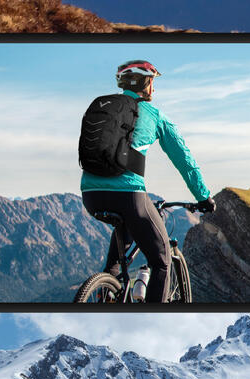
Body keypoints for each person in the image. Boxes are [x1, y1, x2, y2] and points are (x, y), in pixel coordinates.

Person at [81, 60, 215, 302]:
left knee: (115, 261)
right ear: (146, 83)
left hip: (90, 194)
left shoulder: (105, 109)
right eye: (153, 82)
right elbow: (183, 159)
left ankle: (107, 293)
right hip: (128, 196)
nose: (154, 88)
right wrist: (203, 196)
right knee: (161, 261)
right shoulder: (154, 115)